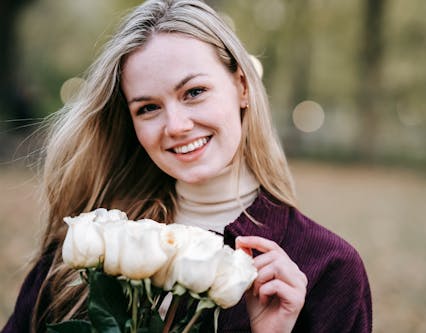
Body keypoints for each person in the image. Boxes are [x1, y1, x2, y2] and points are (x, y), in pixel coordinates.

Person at [2, 0, 372, 332]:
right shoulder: (90, 242)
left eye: (193, 93)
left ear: (242, 86)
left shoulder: (329, 269)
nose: (176, 126)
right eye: (148, 108)